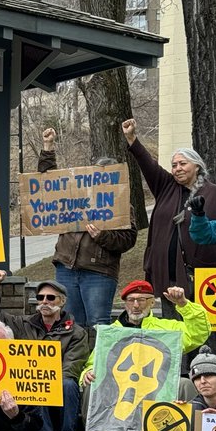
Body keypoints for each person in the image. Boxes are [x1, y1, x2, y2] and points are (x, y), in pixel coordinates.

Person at [78, 280, 211, 431]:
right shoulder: (110, 333)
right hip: (118, 393)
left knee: (185, 385)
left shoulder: (167, 329)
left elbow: (201, 332)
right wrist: (86, 373)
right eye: (131, 300)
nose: (136, 304)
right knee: (92, 385)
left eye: (142, 300)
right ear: (124, 303)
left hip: (157, 392)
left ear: (152, 304)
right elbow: (94, 362)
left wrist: (183, 304)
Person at [122, 118, 216, 309]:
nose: (177, 168)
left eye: (183, 163)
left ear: (197, 166)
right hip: (167, 273)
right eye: (174, 165)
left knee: (202, 328)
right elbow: (148, 164)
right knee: (173, 327)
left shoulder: (215, 194)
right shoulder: (165, 186)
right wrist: (132, 138)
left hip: (203, 277)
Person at [0, 273, 90, 431]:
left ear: (62, 301)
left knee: (66, 383)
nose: (44, 302)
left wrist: (46, 376)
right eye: (40, 297)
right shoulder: (24, 324)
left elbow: (72, 365)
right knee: (34, 381)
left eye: (50, 298)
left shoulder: (76, 332)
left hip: (61, 384)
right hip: (32, 387)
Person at [38, 128, 137, 327]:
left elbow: (129, 240)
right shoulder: (75, 197)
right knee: (70, 324)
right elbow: (48, 183)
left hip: (98, 272)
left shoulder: (122, 205)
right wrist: (48, 148)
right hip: (66, 267)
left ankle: (96, 360)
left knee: (98, 324)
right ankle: (76, 359)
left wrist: (102, 236)